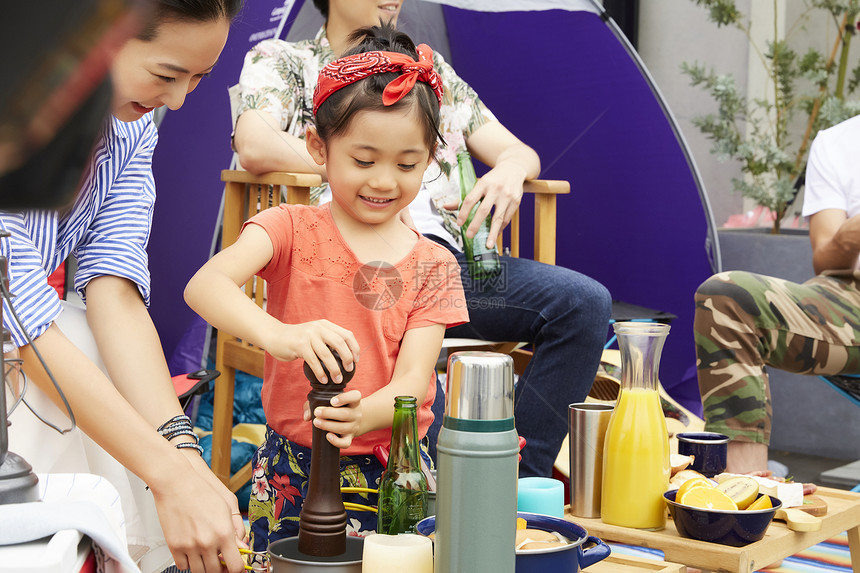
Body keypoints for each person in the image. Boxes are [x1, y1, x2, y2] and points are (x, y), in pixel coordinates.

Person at [230, 0, 612, 478]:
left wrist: (511, 171)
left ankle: (515, 483)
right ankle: (437, 474)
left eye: (410, 162)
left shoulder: (427, 73)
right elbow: (253, 142)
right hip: (337, 265)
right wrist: (355, 172)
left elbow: (514, 148)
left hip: (444, 264)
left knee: (584, 304)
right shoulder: (286, 59)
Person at [185, 22, 468, 551]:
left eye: (406, 164)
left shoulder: (434, 263)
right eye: (363, 160)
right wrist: (280, 336)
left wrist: (366, 413)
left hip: (394, 472)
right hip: (291, 465)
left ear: (429, 159)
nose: (384, 180)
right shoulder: (290, 228)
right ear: (319, 146)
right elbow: (205, 286)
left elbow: (415, 381)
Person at [0, 1, 247, 572]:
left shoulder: (130, 127)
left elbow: (113, 286)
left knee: (86, 339)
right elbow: (23, 316)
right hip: (21, 349)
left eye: (198, 79)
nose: (180, 99)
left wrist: (181, 452)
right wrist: (165, 475)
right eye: (166, 74)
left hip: (34, 337)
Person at [695, 113, 860, 474]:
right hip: (850, 300)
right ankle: (747, 491)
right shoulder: (837, 142)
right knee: (728, 297)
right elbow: (826, 257)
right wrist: (851, 231)